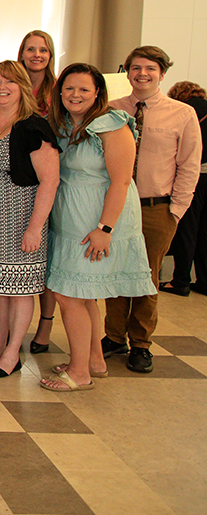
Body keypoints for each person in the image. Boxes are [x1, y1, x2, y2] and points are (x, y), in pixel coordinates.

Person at [41, 64, 154, 392]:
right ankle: (93, 361)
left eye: (83, 89)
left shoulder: (111, 124)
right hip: (71, 222)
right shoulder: (63, 124)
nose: (75, 95)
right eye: (69, 88)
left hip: (99, 222)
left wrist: (104, 228)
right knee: (83, 294)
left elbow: (121, 181)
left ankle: (79, 373)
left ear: (97, 93)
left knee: (68, 295)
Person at [103, 46, 202, 373]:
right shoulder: (112, 110)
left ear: (162, 72)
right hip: (116, 206)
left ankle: (141, 343)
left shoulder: (182, 113)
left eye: (149, 68)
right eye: (135, 68)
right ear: (127, 72)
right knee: (114, 274)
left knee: (146, 278)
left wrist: (176, 209)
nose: (142, 74)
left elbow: (189, 164)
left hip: (155, 207)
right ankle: (114, 336)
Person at [0, 61, 59, 378]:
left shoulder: (33, 127)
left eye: (9, 82)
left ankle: (12, 353)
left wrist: (35, 227)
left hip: (20, 221)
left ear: (23, 87)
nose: (1, 87)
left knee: (18, 289)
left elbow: (49, 181)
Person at [19, 30, 60, 352]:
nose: (36, 55)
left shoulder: (59, 91)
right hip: (19, 185)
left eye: (42, 50)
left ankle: (45, 325)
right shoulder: (13, 88)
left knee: (48, 256)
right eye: (30, 49)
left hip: (51, 177)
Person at [160, 81, 207, 297]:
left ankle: (180, 280)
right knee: (204, 231)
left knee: (187, 229)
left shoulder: (184, 111)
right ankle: (204, 280)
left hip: (195, 175)